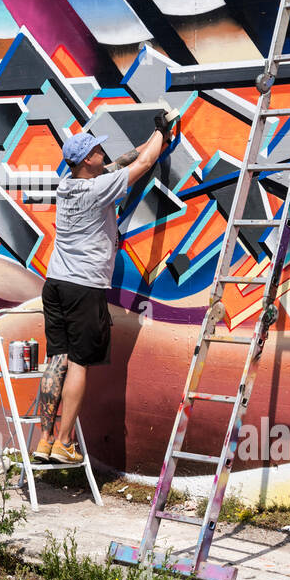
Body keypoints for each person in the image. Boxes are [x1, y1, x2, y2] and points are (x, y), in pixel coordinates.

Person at [35, 116, 174, 463]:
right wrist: (163, 131)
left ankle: (45, 440)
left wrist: (148, 140)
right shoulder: (99, 189)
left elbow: (124, 160)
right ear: (86, 161)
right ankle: (66, 443)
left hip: (56, 284)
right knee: (80, 363)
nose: (102, 151)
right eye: (97, 149)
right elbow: (142, 164)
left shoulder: (68, 186)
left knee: (57, 360)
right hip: (84, 287)